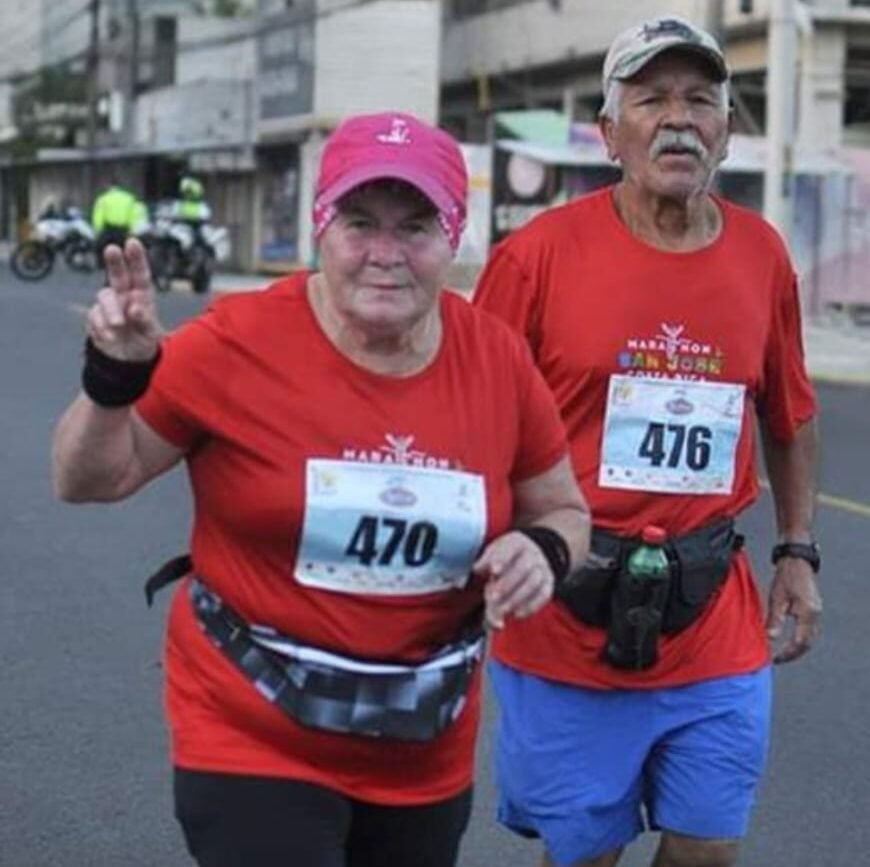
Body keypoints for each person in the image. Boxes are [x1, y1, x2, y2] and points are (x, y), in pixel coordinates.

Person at [51, 111, 591, 867]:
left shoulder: (497, 359)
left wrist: (542, 549)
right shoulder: (235, 342)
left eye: (415, 227)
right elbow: (88, 478)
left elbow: (564, 509)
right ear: (319, 228)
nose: (384, 254)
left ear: (454, 238)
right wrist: (114, 378)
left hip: (422, 745)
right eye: (359, 222)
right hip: (251, 727)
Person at [473, 16, 821, 867]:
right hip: (568, 612)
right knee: (585, 855)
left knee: (709, 848)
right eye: (652, 98)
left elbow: (788, 412)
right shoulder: (537, 257)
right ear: (609, 132)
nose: (679, 118)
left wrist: (798, 549)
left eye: (701, 100)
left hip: (712, 612)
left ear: (728, 132)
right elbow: (473, 416)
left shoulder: (762, 256)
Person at [91, 177, 141, 265]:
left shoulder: (104, 198)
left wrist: (98, 230)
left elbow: (98, 217)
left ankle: (102, 264)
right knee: (125, 253)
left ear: (109, 186)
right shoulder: (129, 198)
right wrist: (132, 230)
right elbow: (134, 215)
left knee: (102, 250)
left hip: (109, 230)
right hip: (124, 230)